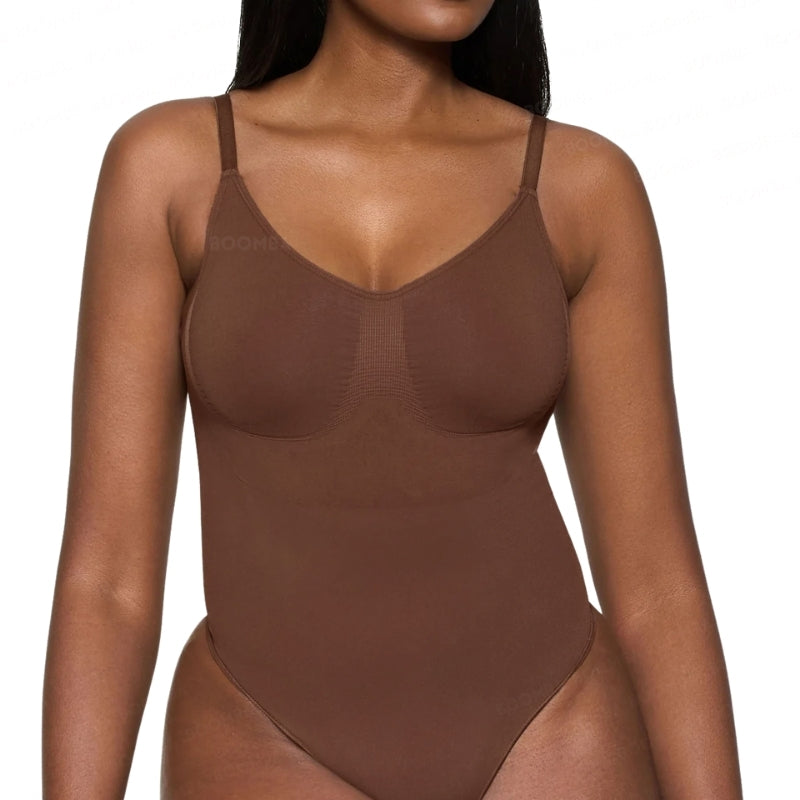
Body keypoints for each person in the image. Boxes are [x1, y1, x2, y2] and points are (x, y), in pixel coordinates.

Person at [42, 1, 743, 798]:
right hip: (260, 732)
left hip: (555, 731)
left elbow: (656, 586)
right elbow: (108, 582)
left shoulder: (581, 186)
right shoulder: (173, 168)